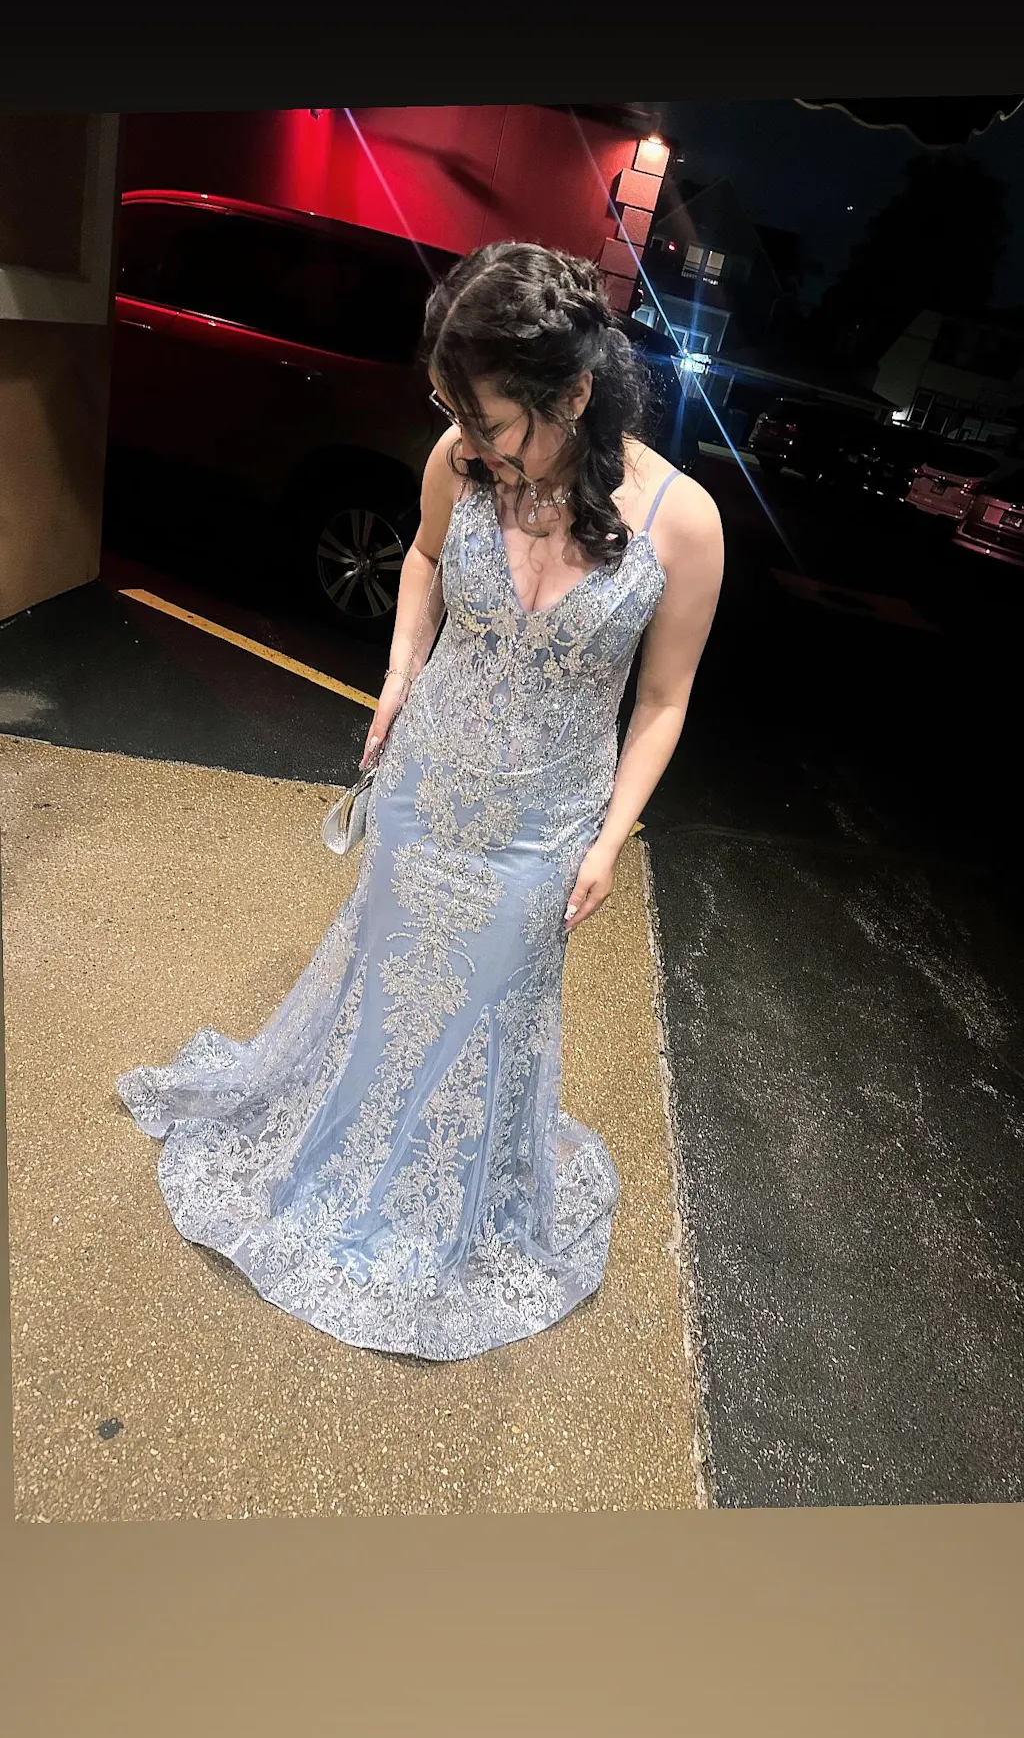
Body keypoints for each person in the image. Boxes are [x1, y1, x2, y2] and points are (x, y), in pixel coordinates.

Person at [115, 241, 724, 1362]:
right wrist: (399, 672)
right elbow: (427, 563)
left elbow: (663, 701)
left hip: (543, 825)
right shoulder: (459, 459)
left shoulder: (684, 524)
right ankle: (345, 1151)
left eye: (488, 421)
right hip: (429, 778)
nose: (467, 441)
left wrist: (609, 838)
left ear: (572, 394)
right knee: (386, 980)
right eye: (453, 412)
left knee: (490, 1011)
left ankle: (447, 1197)